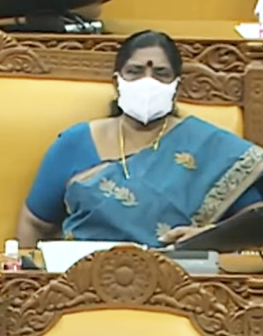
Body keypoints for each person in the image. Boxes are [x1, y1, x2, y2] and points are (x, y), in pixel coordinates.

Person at [16, 30, 263, 248]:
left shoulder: (208, 146)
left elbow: (254, 221)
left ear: (176, 87)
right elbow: (34, 223)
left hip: (179, 277)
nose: (148, 81)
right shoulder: (76, 142)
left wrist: (207, 237)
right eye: (135, 72)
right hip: (81, 278)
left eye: (160, 73)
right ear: (117, 83)